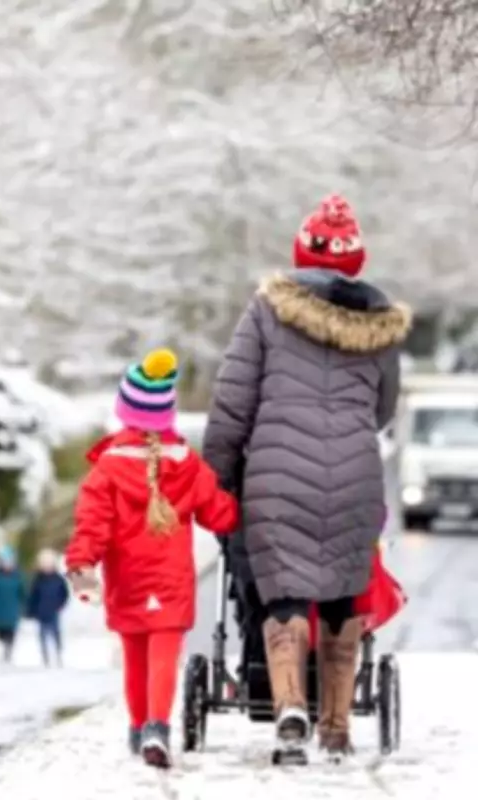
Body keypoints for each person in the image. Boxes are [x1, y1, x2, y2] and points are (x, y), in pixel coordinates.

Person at [202, 194, 411, 762]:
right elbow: (383, 408)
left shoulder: (268, 309)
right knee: (345, 597)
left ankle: (290, 704)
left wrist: (217, 480)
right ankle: (337, 728)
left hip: (275, 481)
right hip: (355, 477)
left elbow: (232, 403)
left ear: (301, 251)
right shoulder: (380, 325)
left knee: (284, 596)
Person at [65, 348, 239, 769]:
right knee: (164, 656)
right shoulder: (189, 466)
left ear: (125, 412)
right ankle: (157, 728)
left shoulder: (107, 469)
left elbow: (92, 524)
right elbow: (220, 515)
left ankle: (138, 728)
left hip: (128, 581)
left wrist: (81, 564)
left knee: (134, 658)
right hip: (172, 582)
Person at [0, 545, 26, 663]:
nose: (7, 564)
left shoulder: (18, 576)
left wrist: (23, 608)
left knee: (10, 634)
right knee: (0, 633)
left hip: (13, 611)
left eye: (9, 562)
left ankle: (8, 652)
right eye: (4, 562)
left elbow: (23, 593)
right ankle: (4, 649)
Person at [27, 548, 70, 666]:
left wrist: (60, 605)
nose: (47, 566)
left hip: (54, 612)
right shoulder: (37, 579)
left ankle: (58, 654)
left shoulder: (58, 579)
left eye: (49, 563)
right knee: (42, 635)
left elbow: (64, 594)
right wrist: (31, 610)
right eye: (44, 564)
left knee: (56, 634)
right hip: (41, 612)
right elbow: (33, 596)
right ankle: (45, 657)